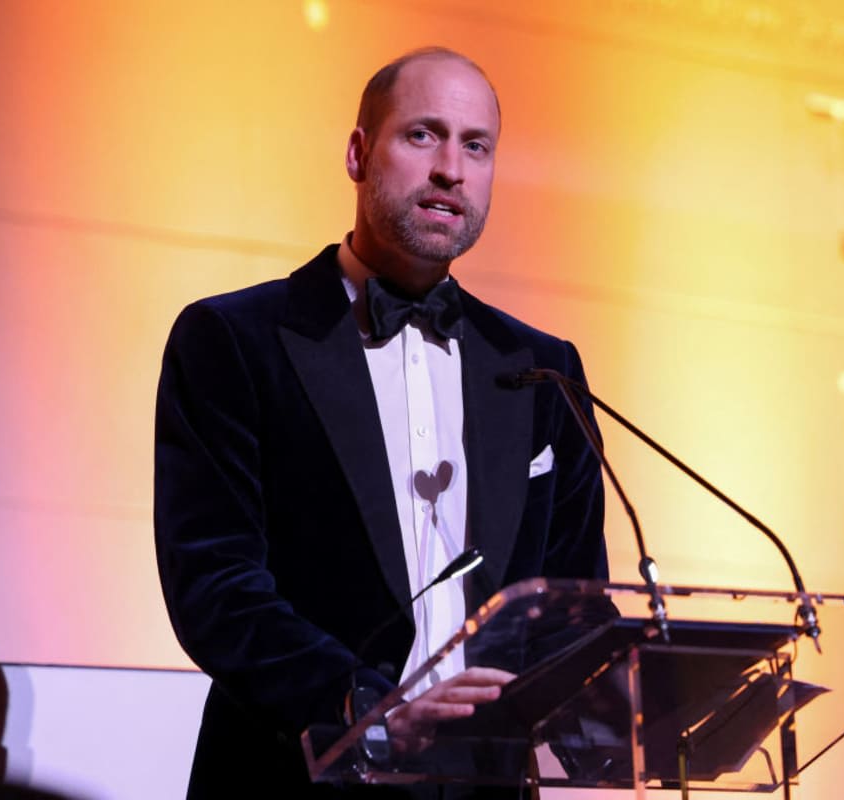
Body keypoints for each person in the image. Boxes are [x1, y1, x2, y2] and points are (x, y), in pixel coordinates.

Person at [153, 47, 607, 799]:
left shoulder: (541, 368)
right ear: (359, 153)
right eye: (422, 135)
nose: (450, 170)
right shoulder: (234, 341)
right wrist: (366, 709)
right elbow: (216, 586)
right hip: (292, 774)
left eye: (476, 146)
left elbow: (571, 603)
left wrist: (651, 701)